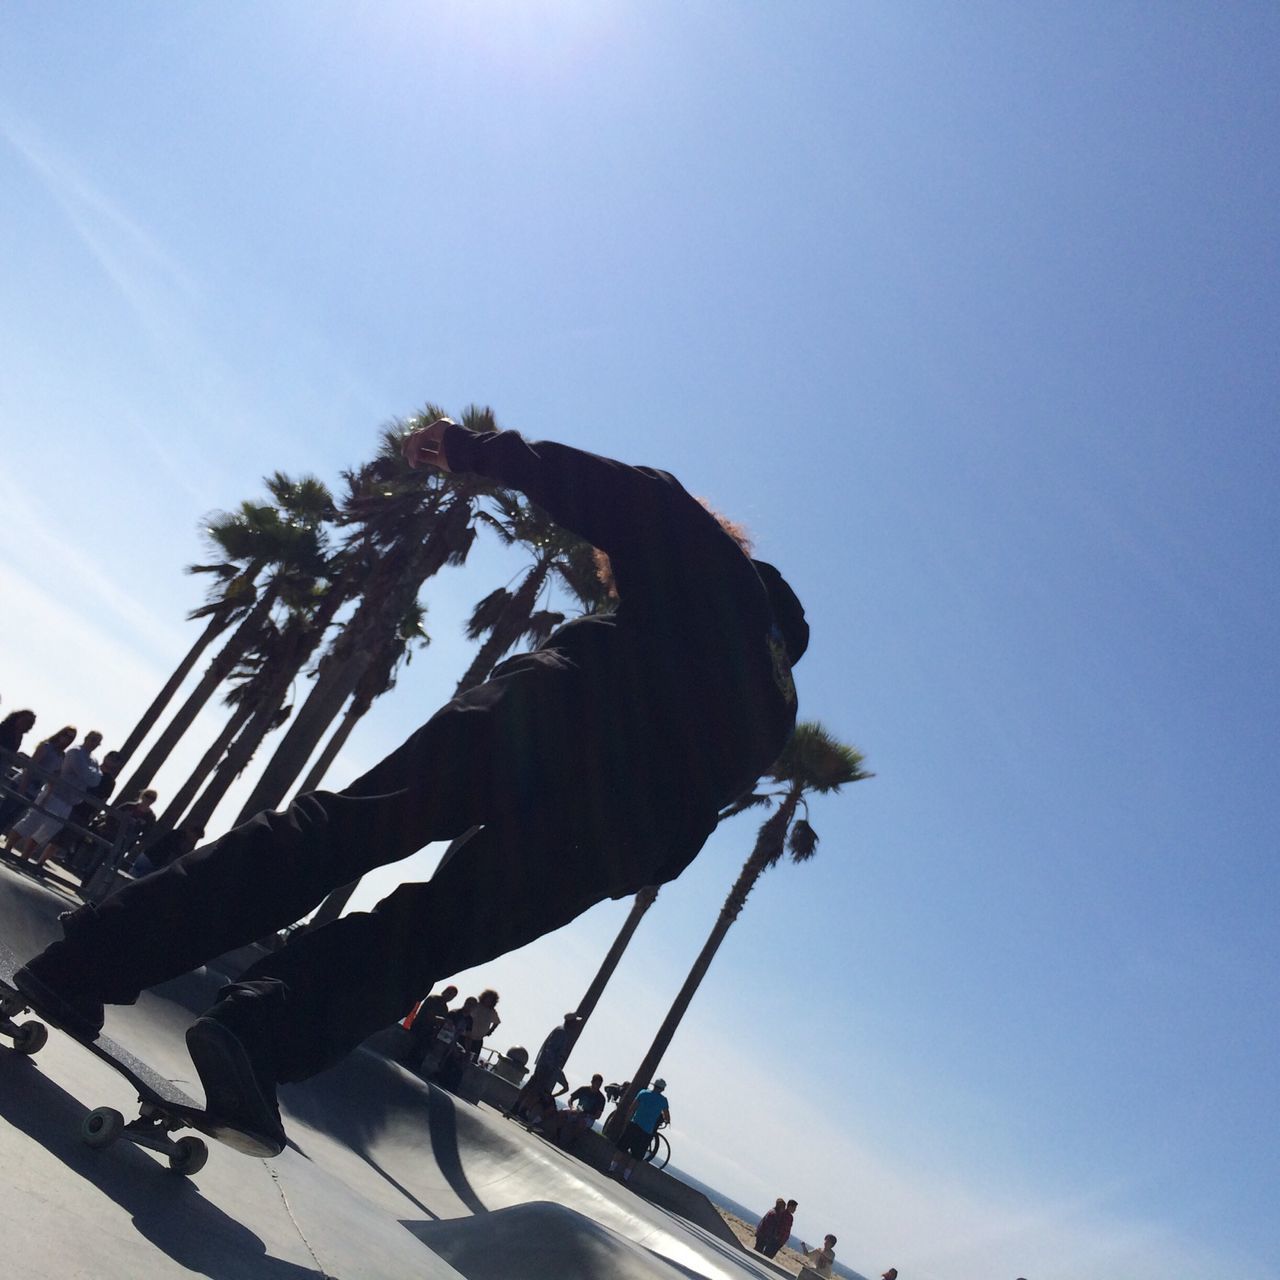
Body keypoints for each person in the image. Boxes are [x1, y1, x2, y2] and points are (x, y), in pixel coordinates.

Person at [14, 420, 807, 1157]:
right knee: (432, 932)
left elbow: (645, 501)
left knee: (345, 831)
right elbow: (694, 822)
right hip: (614, 834)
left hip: (554, 717)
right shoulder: (774, 714)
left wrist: (480, 450)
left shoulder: (725, 579)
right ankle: (259, 1033)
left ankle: (87, 964)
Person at [11, 730, 102, 861]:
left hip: (69, 802)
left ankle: (25, 856)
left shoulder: (93, 761)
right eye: (93, 739)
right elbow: (84, 774)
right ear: (86, 738)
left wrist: (90, 775)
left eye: (97, 742)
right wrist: (89, 775)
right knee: (31, 822)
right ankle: (8, 847)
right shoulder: (75, 752)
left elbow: (95, 781)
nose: (95, 743)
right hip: (54, 794)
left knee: (48, 831)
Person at [0, 724, 74, 839]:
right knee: (4, 811)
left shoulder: (61, 756)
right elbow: (30, 766)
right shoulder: (46, 746)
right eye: (66, 735)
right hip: (22, 783)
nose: (67, 739)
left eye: (71, 738)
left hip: (34, 790)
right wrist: (22, 787)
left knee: (12, 817)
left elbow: (54, 778)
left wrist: (47, 795)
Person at [508, 1013, 583, 1120]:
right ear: (571, 1022)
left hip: (544, 1064)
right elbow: (550, 1049)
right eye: (575, 1021)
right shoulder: (561, 1032)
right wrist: (550, 1066)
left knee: (532, 1086)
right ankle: (522, 1110)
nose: (576, 1024)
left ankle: (517, 1108)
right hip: (546, 1066)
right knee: (536, 1090)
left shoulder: (562, 1031)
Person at [607, 1077, 669, 1183]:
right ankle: (625, 1177)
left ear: (653, 1086)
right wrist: (667, 1121)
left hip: (634, 1124)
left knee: (621, 1148)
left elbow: (633, 1108)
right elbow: (666, 1116)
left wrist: (627, 1121)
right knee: (635, 1156)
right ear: (662, 1089)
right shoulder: (663, 1101)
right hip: (647, 1131)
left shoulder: (643, 1093)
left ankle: (611, 1169)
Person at [462, 987, 501, 1061]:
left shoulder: (492, 1012)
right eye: (488, 998)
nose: (489, 1000)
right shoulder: (476, 1005)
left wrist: (490, 1031)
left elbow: (497, 1022)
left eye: (491, 999)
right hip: (465, 1035)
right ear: (484, 997)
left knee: (472, 1061)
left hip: (477, 1040)